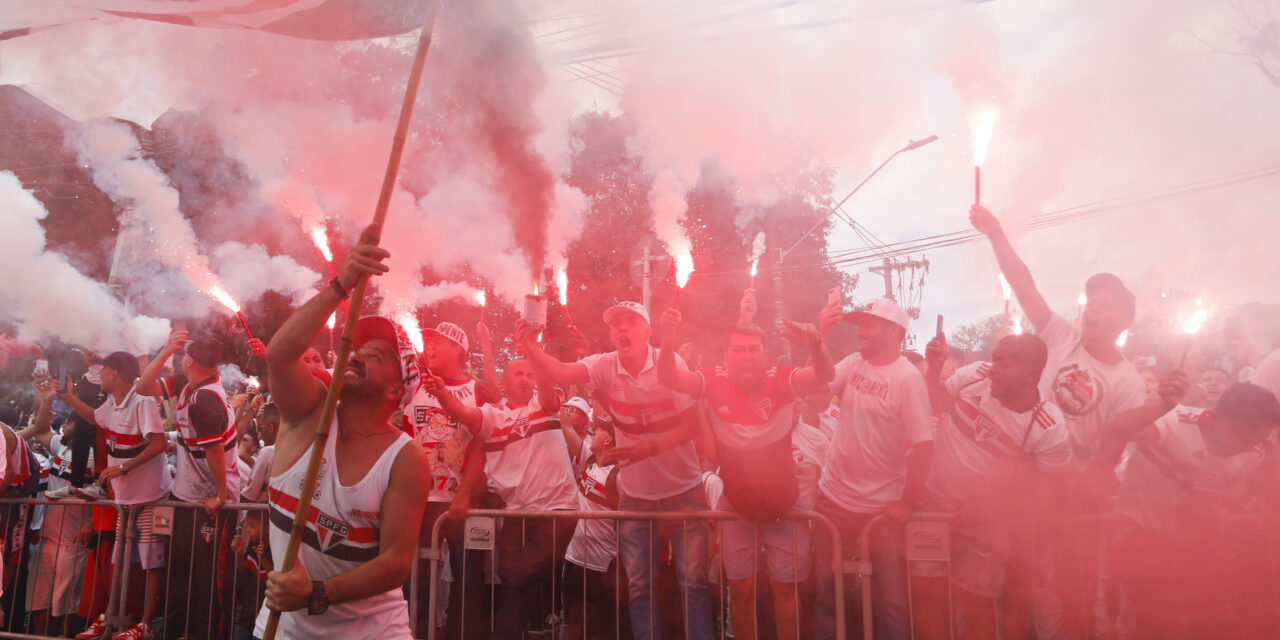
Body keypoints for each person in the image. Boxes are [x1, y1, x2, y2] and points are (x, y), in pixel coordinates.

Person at [971, 204, 1147, 638]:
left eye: (1107, 305)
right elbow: (1023, 283)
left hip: (1075, 501)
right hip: (1025, 487)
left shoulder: (1128, 382)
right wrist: (995, 233)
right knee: (1017, 585)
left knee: (1077, 594)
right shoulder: (1061, 335)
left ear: (1124, 322)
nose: (1094, 308)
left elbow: (1112, 452)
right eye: (1092, 300)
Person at [254, 226, 430, 639]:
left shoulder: (405, 458)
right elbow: (280, 356)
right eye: (359, 346)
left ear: (396, 390)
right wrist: (341, 285)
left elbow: (394, 563)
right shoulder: (311, 411)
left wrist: (315, 593)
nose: (359, 352)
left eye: (378, 354)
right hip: (284, 629)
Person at [520, 301, 712, 640]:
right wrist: (529, 347)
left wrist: (650, 447)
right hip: (637, 499)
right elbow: (562, 372)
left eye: (631, 322)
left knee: (693, 583)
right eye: (617, 324)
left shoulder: (671, 365)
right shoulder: (604, 365)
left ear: (648, 331)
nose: (623, 329)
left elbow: (694, 424)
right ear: (611, 334)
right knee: (639, 587)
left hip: (685, 491)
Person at [655, 300, 838, 640]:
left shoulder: (781, 378)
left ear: (765, 355)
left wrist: (815, 343)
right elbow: (667, 376)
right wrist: (666, 339)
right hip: (735, 504)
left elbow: (824, 374)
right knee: (740, 591)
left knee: (785, 592)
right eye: (738, 350)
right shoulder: (714, 380)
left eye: (753, 349)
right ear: (727, 357)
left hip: (785, 504)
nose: (746, 355)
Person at [913, 333, 1072, 639]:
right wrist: (933, 370)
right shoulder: (975, 376)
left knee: (976, 608)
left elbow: (1051, 494)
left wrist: (991, 507)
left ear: (1032, 374)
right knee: (926, 597)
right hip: (931, 509)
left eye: (1004, 363)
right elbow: (935, 402)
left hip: (983, 528)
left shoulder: (1049, 428)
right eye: (994, 359)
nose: (993, 368)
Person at [423, 347, 579, 640]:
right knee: (512, 580)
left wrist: (534, 352)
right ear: (503, 382)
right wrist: (443, 395)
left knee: (519, 577)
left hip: (557, 512)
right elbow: (465, 414)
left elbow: (546, 392)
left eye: (530, 374)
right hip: (518, 513)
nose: (526, 379)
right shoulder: (493, 415)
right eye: (518, 374)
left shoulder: (544, 403)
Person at [1102, 381, 1280, 638]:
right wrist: (1162, 405)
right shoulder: (1175, 421)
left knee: (1203, 621)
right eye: (1244, 435)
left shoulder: (1255, 452)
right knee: (1151, 622)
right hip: (1143, 537)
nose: (1249, 444)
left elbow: (1238, 504)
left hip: (1197, 551)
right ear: (1218, 417)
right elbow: (1115, 430)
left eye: (1259, 437)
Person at [812, 297, 934, 640]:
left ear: (894, 330)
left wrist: (907, 503)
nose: (861, 332)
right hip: (833, 500)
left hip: (881, 511)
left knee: (890, 600)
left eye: (869, 325)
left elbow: (924, 446)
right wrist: (820, 336)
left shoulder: (908, 379)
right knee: (826, 593)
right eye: (860, 325)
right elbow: (819, 394)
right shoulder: (853, 364)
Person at [57, 351, 172, 640]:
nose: (99, 376)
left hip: (151, 498)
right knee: (119, 559)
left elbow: (158, 444)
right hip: (125, 500)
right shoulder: (112, 402)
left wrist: (123, 468)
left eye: (104, 369)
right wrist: (69, 396)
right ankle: (110, 618)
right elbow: (95, 418)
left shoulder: (142, 400)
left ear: (114, 373)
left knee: (152, 561)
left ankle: (144, 626)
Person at [135, 331, 241, 640]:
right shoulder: (187, 385)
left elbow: (214, 450)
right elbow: (144, 386)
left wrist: (220, 496)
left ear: (190, 361)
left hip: (209, 504)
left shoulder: (204, 397)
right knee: (179, 577)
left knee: (208, 582)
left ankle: (206, 635)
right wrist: (167, 349)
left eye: (182, 354)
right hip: (187, 499)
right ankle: (174, 633)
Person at [401, 321, 494, 637]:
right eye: (428, 341)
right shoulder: (413, 388)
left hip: (462, 503)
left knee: (467, 582)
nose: (432, 347)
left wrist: (464, 494)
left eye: (439, 341)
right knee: (417, 582)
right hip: (420, 504)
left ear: (459, 348)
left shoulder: (476, 390)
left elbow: (482, 447)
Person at [23, 377, 95, 636]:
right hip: (47, 538)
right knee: (39, 601)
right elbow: (41, 429)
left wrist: (93, 521)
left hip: (74, 541)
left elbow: (109, 492)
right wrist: (47, 399)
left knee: (67, 606)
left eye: (68, 421)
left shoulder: (98, 453)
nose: (64, 426)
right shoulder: (60, 448)